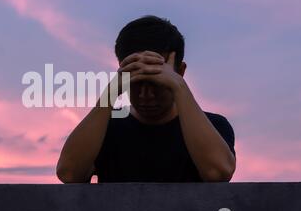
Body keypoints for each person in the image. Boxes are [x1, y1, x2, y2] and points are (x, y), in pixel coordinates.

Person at [56, 15, 236, 183]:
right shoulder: (107, 126)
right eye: (137, 82)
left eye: (157, 82)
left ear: (180, 72)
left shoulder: (213, 126)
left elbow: (218, 173)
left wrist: (180, 87)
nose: (146, 95)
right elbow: (69, 173)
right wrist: (109, 96)